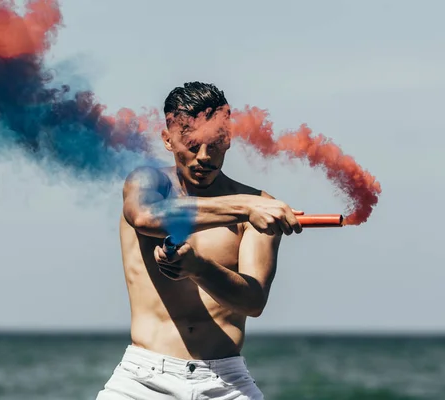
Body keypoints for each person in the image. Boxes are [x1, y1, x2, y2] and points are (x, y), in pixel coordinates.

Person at [96, 82, 303, 400]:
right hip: (141, 381)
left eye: (214, 144)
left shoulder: (260, 204)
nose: (204, 157)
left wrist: (199, 267)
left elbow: (253, 302)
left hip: (226, 383)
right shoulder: (149, 182)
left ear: (228, 139)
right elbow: (144, 216)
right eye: (192, 144)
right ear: (168, 139)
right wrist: (245, 208)